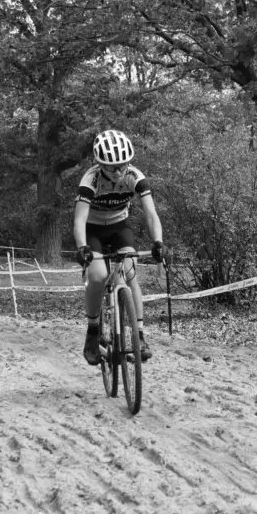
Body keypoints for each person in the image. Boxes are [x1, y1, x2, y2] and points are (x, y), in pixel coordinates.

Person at [73, 129, 167, 365]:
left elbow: (151, 214)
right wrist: (82, 247)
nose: (120, 171)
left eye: (123, 165)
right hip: (93, 229)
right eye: (113, 167)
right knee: (98, 276)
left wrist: (158, 242)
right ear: (100, 164)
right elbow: (79, 220)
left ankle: (140, 336)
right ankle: (93, 330)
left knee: (130, 271)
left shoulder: (135, 176)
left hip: (118, 226)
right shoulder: (90, 180)